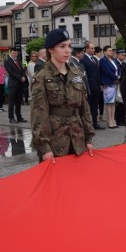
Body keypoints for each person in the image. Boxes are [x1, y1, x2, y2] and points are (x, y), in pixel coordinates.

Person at [30, 28, 95, 162]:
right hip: (55, 140)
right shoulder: (41, 77)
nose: (68, 51)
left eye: (69, 46)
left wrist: (88, 137)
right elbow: (39, 114)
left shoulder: (76, 73)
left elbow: (84, 108)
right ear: (51, 49)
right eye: (62, 46)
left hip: (77, 139)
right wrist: (44, 147)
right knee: (56, 182)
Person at [81, 41, 104, 130]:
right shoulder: (83, 60)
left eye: (94, 48)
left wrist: (100, 84)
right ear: (86, 49)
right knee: (88, 106)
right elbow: (84, 74)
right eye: (91, 48)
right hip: (89, 86)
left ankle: (95, 123)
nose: (93, 49)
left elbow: (97, 72)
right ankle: (87, 124)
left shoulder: (94, 59)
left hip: (96, 86)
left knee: (95, 106)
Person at [4, 47, 28, 123]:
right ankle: (11, 117)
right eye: (13, 53)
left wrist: (24, 76)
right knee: (11, 102)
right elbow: (11, 72)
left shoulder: (18, 61)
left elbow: (22, 70)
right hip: (13, 84)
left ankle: (19, 116)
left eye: (16, 53)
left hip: (20, 84)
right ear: (10, 53)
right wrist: (20, 78)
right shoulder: (7, 61)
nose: (15, 54)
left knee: (19, 101)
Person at [99, 45, 121, 129]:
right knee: (108, 102)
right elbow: (106, 72)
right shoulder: (103, 61)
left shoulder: (114, 60)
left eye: (111, 50)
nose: (111, 52)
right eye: (109, 50)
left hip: (115, 83)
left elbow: (118, 69)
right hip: (108, 83)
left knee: (113, 103)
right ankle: (109, 120)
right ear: (104, 52)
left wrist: (118, 76)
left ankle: (113, 120)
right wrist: (116, 77)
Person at [114, 49, 126, 126]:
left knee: (123, 103)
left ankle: (123, 119)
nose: (123, 56)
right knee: (118, 103)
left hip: (123, 85)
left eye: (124, 55)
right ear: (118, 55)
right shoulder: (115, 63)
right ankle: (118, 120)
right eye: (122, 55)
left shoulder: (124, 64)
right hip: (117, 84)